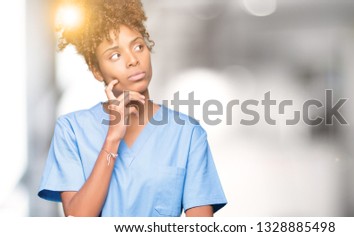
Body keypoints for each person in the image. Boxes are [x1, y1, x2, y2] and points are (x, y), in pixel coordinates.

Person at [37, 0, 227, 217]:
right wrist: (113, 139)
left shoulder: (188, 133)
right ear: (97, 71)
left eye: (138, 46)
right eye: (115, 55)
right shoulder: (71, 130)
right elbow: (78, 220)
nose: (133, 60)